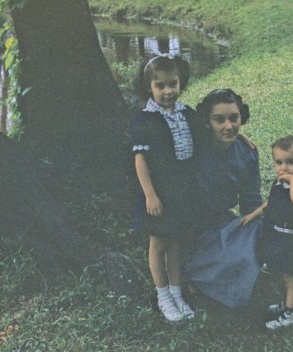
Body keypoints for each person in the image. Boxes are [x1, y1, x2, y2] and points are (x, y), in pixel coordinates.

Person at [131, 52, 199, 322]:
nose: (168, 91)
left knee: (176, 241)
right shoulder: (144, 120)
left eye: (173, 84)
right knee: (158, 243)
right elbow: (140, 160)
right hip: (158, 192)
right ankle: (162, 296)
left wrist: (239, 132)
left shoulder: (187, 113)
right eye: (160, 86)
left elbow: (212, 128)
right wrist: (150, 194)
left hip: (181, 190)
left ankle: (177, 291)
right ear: (149, 87)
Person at [184, 89, 263, 308]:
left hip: (228, 224)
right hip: (194, 229)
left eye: (234, 118)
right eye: (219, 119)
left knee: (269, 231)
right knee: (243, 258)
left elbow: (251, 201)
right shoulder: (193, 148)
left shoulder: (247, 152)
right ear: (207, 121)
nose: (228, 126)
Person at [244, 135, 293, 329]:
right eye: (279, 162)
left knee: (291, 278)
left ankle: (291, 314)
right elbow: (271, 204)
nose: (284, 168)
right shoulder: (279, 184)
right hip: (279, 238)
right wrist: (254, 214)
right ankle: (289, 304)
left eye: (291, 162)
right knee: (284, 276)